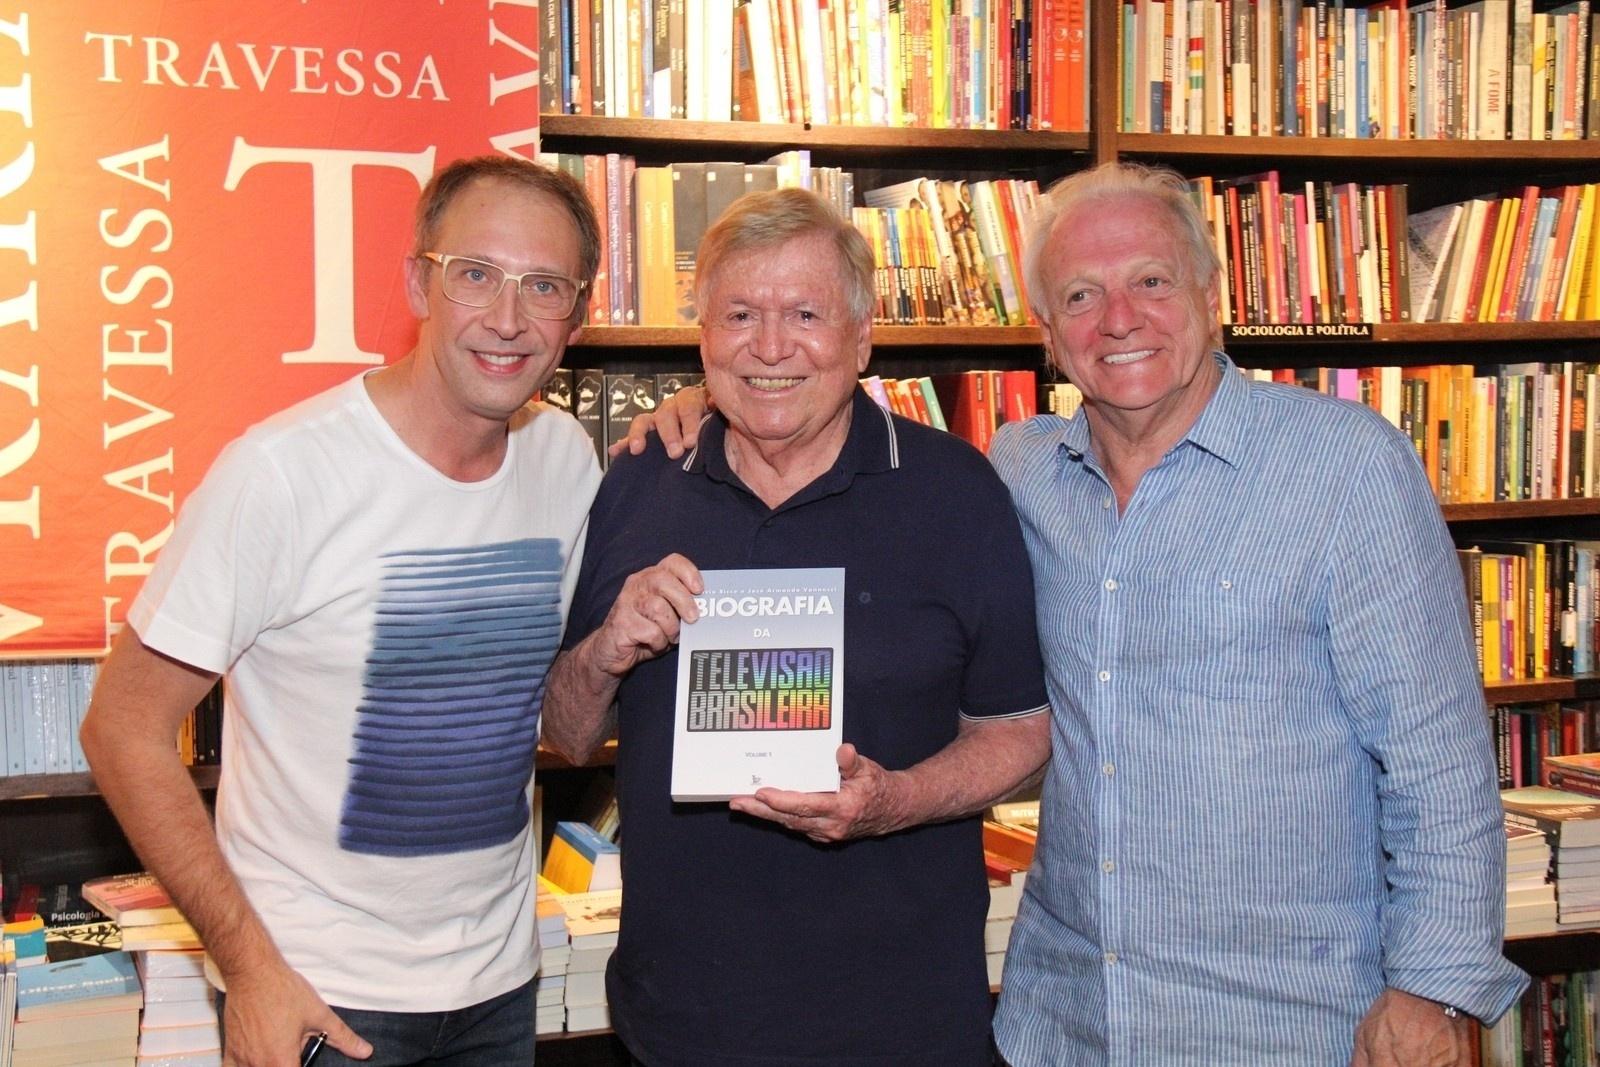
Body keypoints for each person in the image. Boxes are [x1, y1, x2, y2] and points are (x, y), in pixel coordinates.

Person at [624, 163, 1527, 1067]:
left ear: (1210, 296)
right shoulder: (1019, 472)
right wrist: (720, 399)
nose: (1119, 319)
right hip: (1067, 1021)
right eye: (1081, 295)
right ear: (1049, 333)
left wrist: (1433, 986)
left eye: (1151, 281)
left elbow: (1438, 757)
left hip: (1288, 1022)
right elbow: (831, 435)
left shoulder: (1347, 470)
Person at [80, 155, 603, 1067]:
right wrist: (248, 966)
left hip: (501, 988)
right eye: (475, 274)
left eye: (544, 286)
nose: (508, 318)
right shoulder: (283, 473)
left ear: (580, 314)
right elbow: (122, 728)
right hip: (319, 996)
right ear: (418, 282)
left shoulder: (568, 462)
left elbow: (563, 713)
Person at [541, 187, 1051, 1067]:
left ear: (862, 338)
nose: (770, 346)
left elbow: (1022, 733)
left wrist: (893, 803)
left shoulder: (957, 492)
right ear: (703, 337)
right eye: (740, 313)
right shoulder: (636, 482)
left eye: (805, 314)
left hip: (904, 1026)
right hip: (677, 1026)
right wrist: (606, 647)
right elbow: (567, 733)